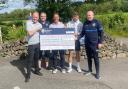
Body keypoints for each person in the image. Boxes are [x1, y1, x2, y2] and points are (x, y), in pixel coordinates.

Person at [79, 11, 104, 79]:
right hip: (87, 44)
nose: (89, 16)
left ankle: (97, 73)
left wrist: (100, 42)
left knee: (96, 59)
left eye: (90, 15)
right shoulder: (85, 23)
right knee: (89, 58)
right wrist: (77, 38)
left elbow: (101, 33)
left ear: (93, 15)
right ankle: (90, 70)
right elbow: (82, 33)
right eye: (87, 15)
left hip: (95, 44)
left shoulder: (97, 22)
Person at [25, 12, 43, 82]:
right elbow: (30, 33)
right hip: (31, 44)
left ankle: (36, 71)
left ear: (38, 17)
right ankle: (28, 75)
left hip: (37, 44)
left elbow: (41, 33)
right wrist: (36, 29)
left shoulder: (40, 24)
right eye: (34, 17)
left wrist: (35, 30)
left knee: (36, 58)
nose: (35, 18)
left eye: (36, 17)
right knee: (30, 60)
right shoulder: (28, 22)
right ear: (32, 16)